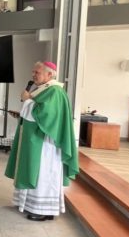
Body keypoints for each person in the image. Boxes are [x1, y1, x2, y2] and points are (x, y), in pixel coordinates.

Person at [5, 62, 80, 221]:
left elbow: (46, 115)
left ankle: (43, 210)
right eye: (33, 71)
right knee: (37, 171)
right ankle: (31, 205)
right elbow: (38, 112)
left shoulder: (55, 91)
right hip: (39, 140)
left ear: (49, 75)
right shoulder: (44, 89)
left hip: (47, 145)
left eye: (37, 72)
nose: (33, 74)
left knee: (44, 173)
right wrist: (22, 112)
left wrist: (27, 100)